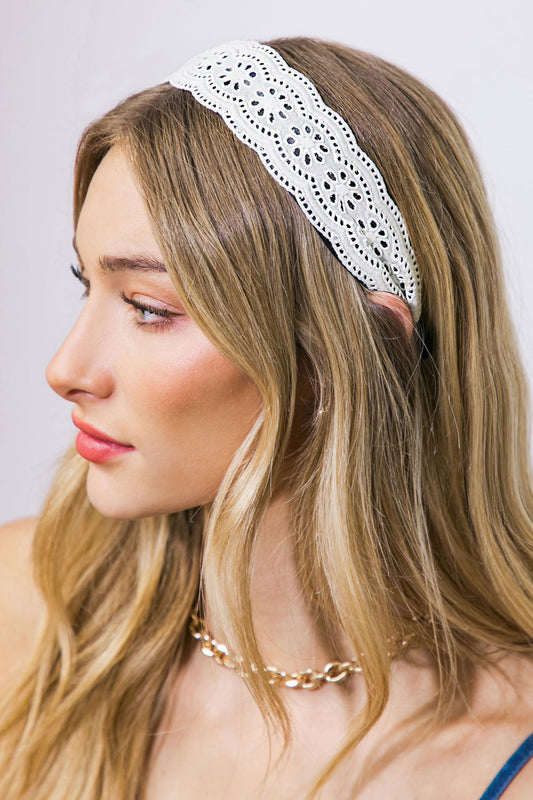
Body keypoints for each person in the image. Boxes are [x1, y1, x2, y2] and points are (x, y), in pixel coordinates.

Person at [0, 36, 532, 800]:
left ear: (362, 348)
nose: (65, 370)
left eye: (149, 309)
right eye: (86, 284)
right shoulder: (31, 611)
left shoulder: (502, 763)